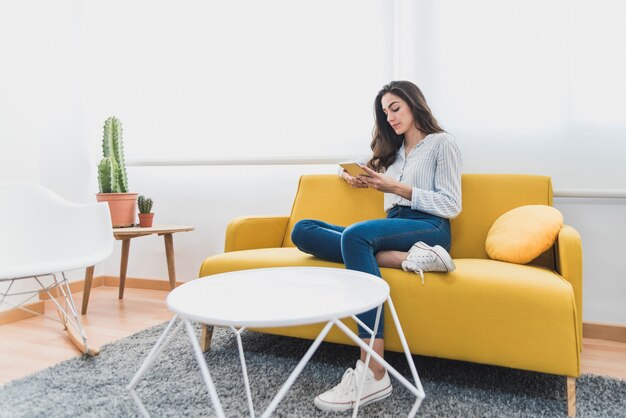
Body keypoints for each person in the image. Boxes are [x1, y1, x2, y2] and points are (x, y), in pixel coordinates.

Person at [290, 80, 462, 412]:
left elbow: (452, 204)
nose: (391, 117)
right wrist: (352, 177)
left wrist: (395, 187)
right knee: (303, 230)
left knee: (356, 236)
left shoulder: (443, 143)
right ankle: (407, 259)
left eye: (395, 108)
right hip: (393, 226)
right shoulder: (391, 151)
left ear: (414, 105)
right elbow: (348, 166)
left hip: (428, 224)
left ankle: (374, 371)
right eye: (385, 112)